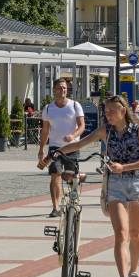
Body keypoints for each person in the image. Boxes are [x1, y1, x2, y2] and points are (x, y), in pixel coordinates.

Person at [41, 95, 139, 277]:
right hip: (115, 185)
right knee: (121, 233)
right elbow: (79, 144)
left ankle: (134, 272)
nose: (107, 115)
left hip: (136, 182)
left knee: (135, 234)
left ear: (122, 110)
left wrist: (124, 167)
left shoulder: (138, 130)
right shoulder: (105, 131)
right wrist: (53, 154)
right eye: (106, 112)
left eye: (111, 111)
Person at [37, 78, 85, 218]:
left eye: (64, 88)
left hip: (72, 147)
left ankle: (74, 191)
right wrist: (41, 149)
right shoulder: (48, 108)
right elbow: (45, 131)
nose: (63, 90)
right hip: (55, 148)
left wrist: (73, 135)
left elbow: (82, 126)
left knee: (69, 176)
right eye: (59, 88)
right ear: (54, 90)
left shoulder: (75, 105)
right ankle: (55, 207)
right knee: (55, 175)